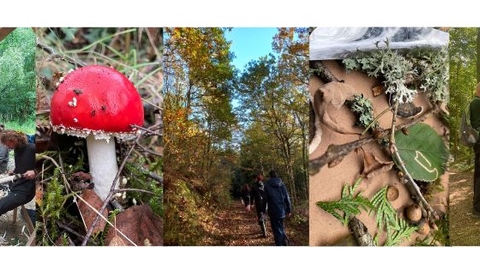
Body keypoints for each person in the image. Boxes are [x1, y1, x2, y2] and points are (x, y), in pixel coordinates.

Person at [0, 130, 36, 216]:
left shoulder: (32, 148)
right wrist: (15, 171)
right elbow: (24, 165)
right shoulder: (17, 150)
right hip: (17, 184)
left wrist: (35, 172)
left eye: (8, 145)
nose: (8, 148)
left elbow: (44, 166)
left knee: (1, 206)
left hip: (26, 190)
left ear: (14, 140)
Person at [263, 170, 292, 246]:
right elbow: (287, 197)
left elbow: (265, 199)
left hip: (273, 211)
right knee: (281, 227)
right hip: (282, 211)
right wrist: (289, 210)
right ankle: (285, 241)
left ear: (270, 176)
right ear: (277, 176)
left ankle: (280, 244)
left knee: (276, 229)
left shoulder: (267, 185)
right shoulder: (282, 184)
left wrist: (263, 211)